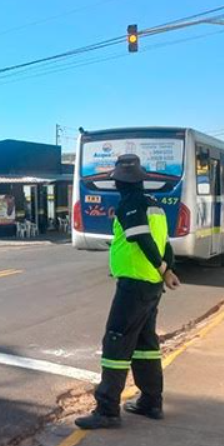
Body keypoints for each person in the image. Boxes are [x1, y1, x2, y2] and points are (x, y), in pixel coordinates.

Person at [75, 154, 181, 430]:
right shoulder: (153, 204)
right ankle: (151, 401)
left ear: (120, 182)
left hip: (134, 284)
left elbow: (143, 239)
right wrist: (167, 270)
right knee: (145, 345)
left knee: (116, 341)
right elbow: (165, 243)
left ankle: (107, 409)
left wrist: (162, 268)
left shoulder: (130, 204)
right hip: (151, 286)